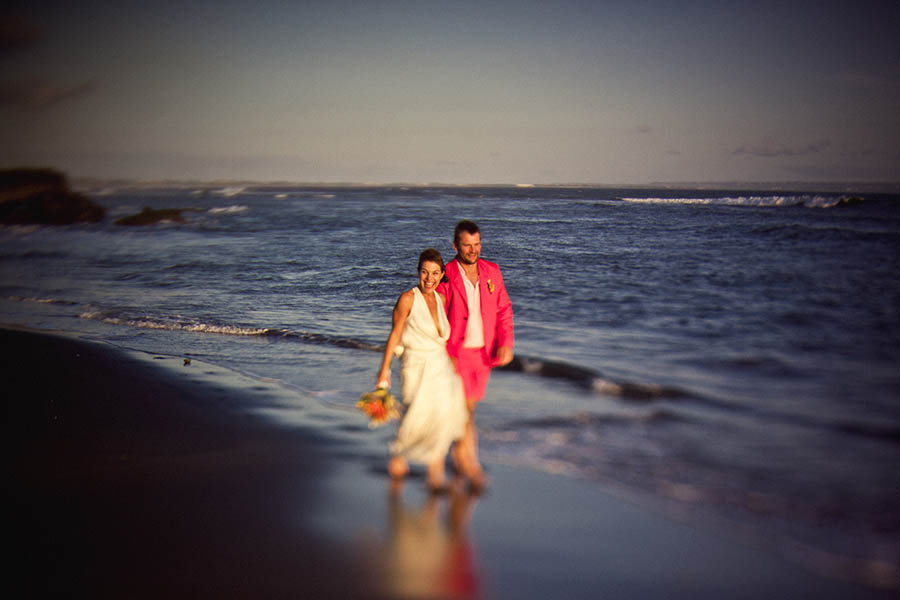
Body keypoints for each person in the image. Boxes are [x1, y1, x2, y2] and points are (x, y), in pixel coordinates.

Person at [376, 248, 468, 492]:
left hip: (441, 366)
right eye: (425, 272)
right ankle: (398, 457)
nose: (430, 278)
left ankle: (435, 475)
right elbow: (395, 336)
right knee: (415, 414)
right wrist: (384, 370)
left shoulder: (440, 299)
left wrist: (452, 361)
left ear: (441, 275)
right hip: (416, 365)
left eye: (435, 273)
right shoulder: (408, 298)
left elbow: (442, 338)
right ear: (418, 272)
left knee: (442, 418)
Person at [437, 220, 514, 489]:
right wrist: (441, 352)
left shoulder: (492, 271)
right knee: (464, 409)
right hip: (455, 353)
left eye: (477, 244)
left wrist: (506, 343)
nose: (473, 250)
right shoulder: (445, 274)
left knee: (469, 408)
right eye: (467, 245)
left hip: (483, 353)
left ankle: (460, 455)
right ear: (455, 245)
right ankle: (469, 463)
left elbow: (504, 309)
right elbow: (435, 315)